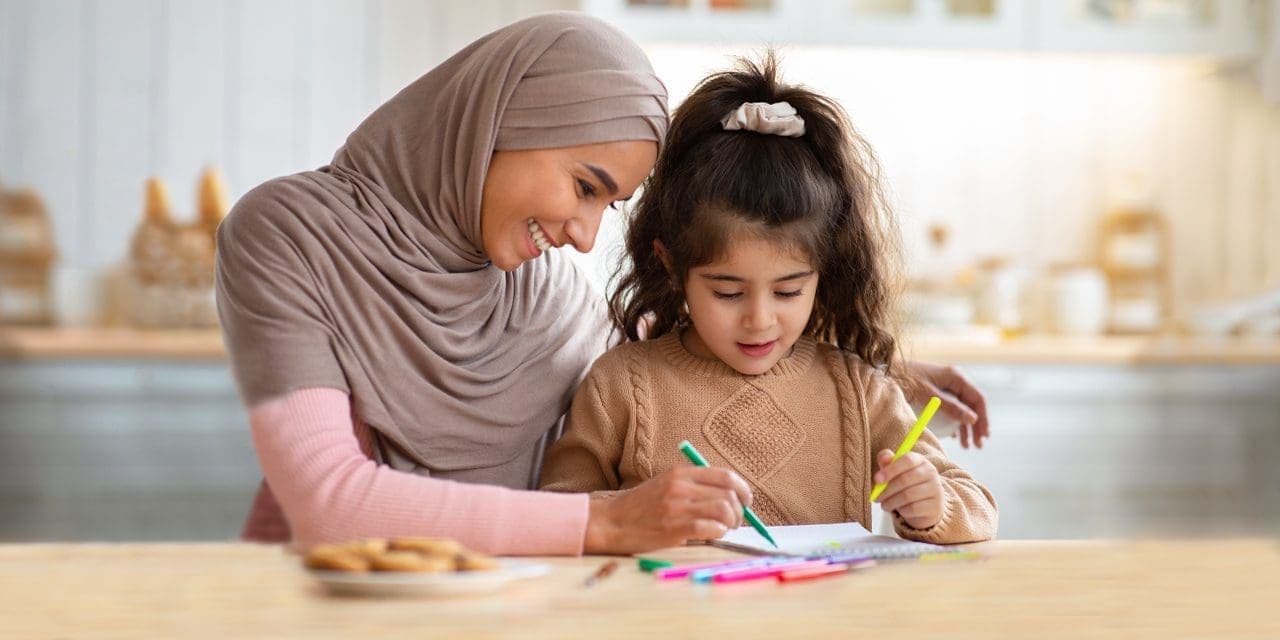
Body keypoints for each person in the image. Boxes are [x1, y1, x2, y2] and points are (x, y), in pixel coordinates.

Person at [217, 12, 989, 557]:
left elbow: (678, 359)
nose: (586, 236)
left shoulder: (541, 282)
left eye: (608, 205)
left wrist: (854, 370)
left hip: (499, 606)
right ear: (502, 120)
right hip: (331, 603)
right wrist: (605, 522)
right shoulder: (285, 235)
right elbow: (329, 502)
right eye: (584, 186)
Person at [538, 54, 997, 545]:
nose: (759, 320)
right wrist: (632, 511)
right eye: (728, 292)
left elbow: (978, 510)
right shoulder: (620, 386)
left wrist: (932, 505)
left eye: (788, 291)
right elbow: (557, 513)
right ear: (671, 265)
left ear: (825, 274)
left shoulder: (861, 392)